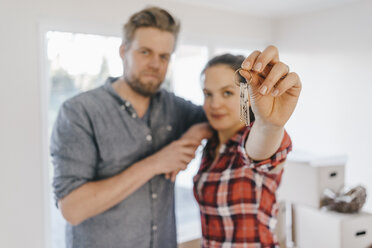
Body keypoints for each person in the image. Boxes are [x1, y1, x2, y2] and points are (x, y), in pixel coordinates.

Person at [50, 6, 212, 248]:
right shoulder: (79, 112)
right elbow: (73, 208)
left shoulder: (174, 107)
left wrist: (197, 130)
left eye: (164, 56)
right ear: (124, 51)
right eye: (145, 52)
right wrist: (157, 162)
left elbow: (220, 119)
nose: (155, 64)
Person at [193, 49, 301, 247]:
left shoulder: (251, 139)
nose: (215, 104)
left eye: (227, 93)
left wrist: (271, 126)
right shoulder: (212, 147)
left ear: (247, 96)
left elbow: (259, 149)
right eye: (208, 94)